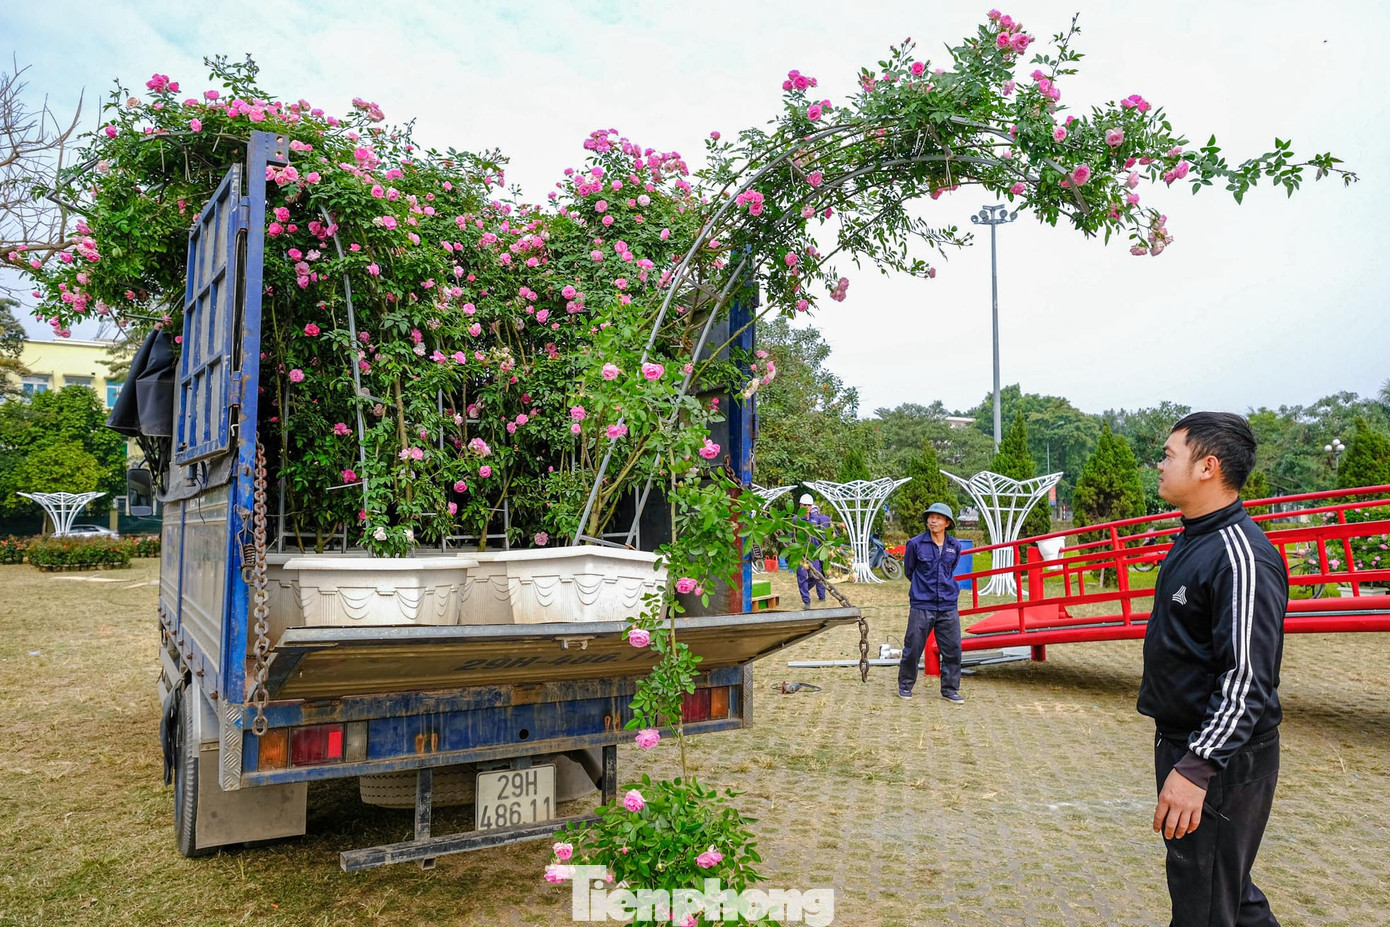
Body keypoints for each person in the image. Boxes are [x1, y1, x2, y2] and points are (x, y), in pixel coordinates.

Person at [1139, 411, 1288, 927]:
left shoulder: (1240, 555)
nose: (1159, 464)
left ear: (1208, 466)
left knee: (1204, 904)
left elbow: (1247, 677)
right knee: (1226, 891)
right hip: (1186, 742)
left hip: (1221, 759)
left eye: (1168, 454)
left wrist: (1197, 768)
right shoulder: (1193, 538)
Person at [897, 502, 964, 703]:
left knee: (952, 649)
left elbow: (949, 570)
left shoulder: (954, 546)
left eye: (938, 517)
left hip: (947, 604)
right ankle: (905, 686)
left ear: (947, 523)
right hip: (921, 604)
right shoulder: (915, 544)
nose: (932, 520)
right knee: (913, 647)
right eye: (930, 517)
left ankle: (950, 689)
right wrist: (922, 588)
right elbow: (909, 570)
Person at [794, 493, 831, 607]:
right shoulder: (796, 519)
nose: (806, 507)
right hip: (801, 553)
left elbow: (822, 535)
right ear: (800, 506)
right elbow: (791, 535)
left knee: (816, 576)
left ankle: (813, 592)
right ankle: (806, 601)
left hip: (814, 553)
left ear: (811, 507)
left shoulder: (817, 519)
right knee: (801, 576)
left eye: (808, 505)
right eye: (803, 505)